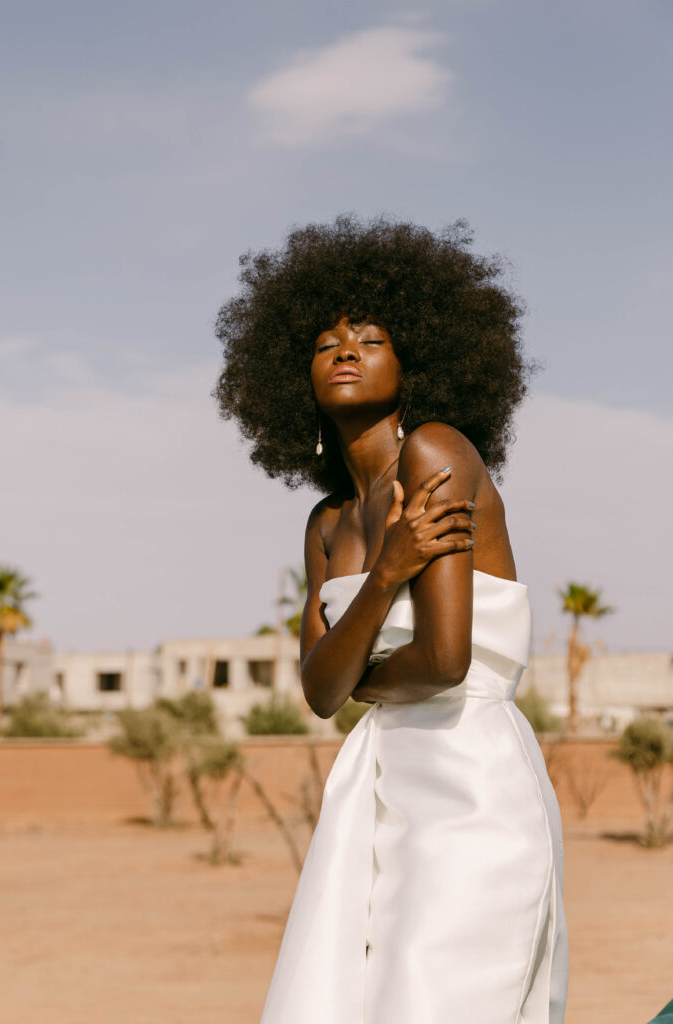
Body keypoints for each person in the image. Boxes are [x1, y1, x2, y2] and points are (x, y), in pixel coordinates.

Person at [213, 214, 569, 1023]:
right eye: (323, 343)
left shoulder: (437, 453)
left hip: (468, 779)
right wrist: (387, 575)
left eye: (369, 339)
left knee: (438, 998)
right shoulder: (327, 524)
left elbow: (443, 662)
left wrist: (357, 675)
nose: (343, 350)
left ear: (417, 362)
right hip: (374, 788)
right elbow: (317, 693)